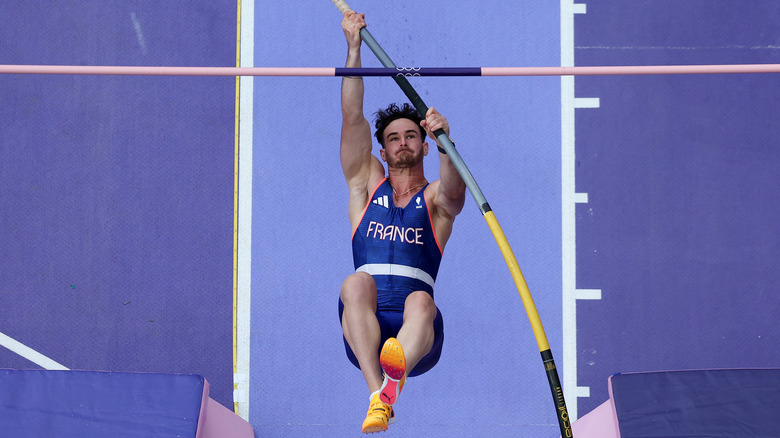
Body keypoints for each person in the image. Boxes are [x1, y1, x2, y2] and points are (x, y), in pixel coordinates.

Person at [338, 10, 467, 434]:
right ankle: (380, 396)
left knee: (420, 301)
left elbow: (453, 193)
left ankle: (394, 378)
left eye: (411, 135)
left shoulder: (433, 200)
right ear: (383, 149)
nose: (402, 143)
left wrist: (446, 144)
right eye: (393, 138)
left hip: (418, 336)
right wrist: (354, 48)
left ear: (424, 146)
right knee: (355, 283)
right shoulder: (366, 184)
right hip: (367, 326)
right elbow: (353, 118)